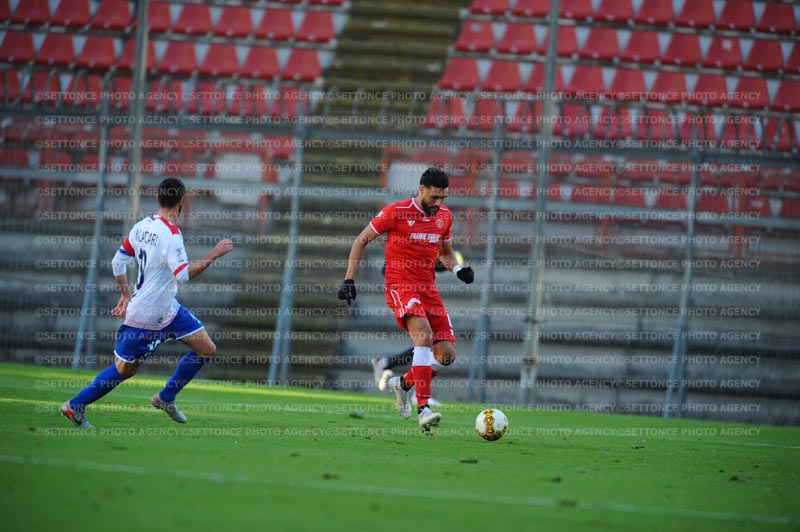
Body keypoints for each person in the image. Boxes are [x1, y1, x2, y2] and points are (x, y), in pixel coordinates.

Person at [61, 177, 234, 429]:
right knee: (125, 370)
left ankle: (166, 397)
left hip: (168, 308)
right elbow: (183, 275)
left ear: (157, 198)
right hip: (148, 315)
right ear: (182, 200)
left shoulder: (141, 226)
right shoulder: (171, 234)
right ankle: (75, 404)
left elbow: (118, 262)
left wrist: (125, 294)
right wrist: (214, 254)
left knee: (206, 348)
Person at [339, 168, 474, 432]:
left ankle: (402, 384)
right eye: (434, 197)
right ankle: (424, 408)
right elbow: (361, 240)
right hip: (400, 285)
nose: (438, 203)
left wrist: (458, 270)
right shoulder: (396, 212)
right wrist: (349, 279)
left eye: (443, 198)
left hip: (428, 289)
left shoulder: (444, 217)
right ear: (421, 189)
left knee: (446, 355)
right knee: (423, 337)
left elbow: (446, 254)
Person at [371, 253, 464, 398]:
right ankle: (416, 394)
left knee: (437, 348)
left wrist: (447, 265)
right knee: (429, 345)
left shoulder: (433, 244)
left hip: (424, 296)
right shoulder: (405, 246)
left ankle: (393, 371)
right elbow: (387, 269)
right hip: (407, 296)